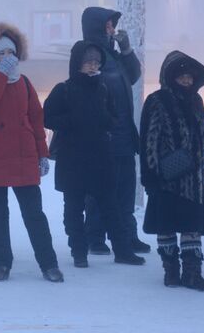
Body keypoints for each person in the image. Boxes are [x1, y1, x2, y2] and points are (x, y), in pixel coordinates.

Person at [0, 22, 63, 283]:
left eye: (11, 53)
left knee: (34, 213)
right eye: (2, 54)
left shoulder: (24, 82)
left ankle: (49, 264)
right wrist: (0, 74)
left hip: (23, 156)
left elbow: (36, 118)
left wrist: (42, 154)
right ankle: (1, 263)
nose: (8, 58)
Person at [43, 41, 145, 268]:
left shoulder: (102, 88)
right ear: (78, 63)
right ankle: (79, 252)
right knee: (73, 208)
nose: (92, 66)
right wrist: (72, 121)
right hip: (73, 159)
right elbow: (46, 117)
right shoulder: (64, 89)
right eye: (88, 61)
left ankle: (123, 250)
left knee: (111, 206)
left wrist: (106, 122)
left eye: (96, 62)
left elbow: (113, 114)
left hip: (101, 157)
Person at [140, 51, 204, 291]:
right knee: (167, 224)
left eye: (190, 77)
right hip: (166, 178)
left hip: (194, 181)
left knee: (192, 225)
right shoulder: (157, 100)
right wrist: (151, 175)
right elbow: (149, 139)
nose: (186, 81)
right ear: (170, 77)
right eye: (181, 76)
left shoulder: (197, 101)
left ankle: (192, 273)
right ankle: (170, 271)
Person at [81, 7, 150, 256]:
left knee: (125, 189)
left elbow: (132, 76)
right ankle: (95, 236)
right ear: (97, 26)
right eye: (108, 25)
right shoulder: (90, 53)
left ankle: (127, 235)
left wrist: (127, 50)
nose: (112, 29)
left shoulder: (112, 53)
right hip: (104, 135)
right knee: (100, 188)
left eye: (112, 25)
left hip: (123, 132)